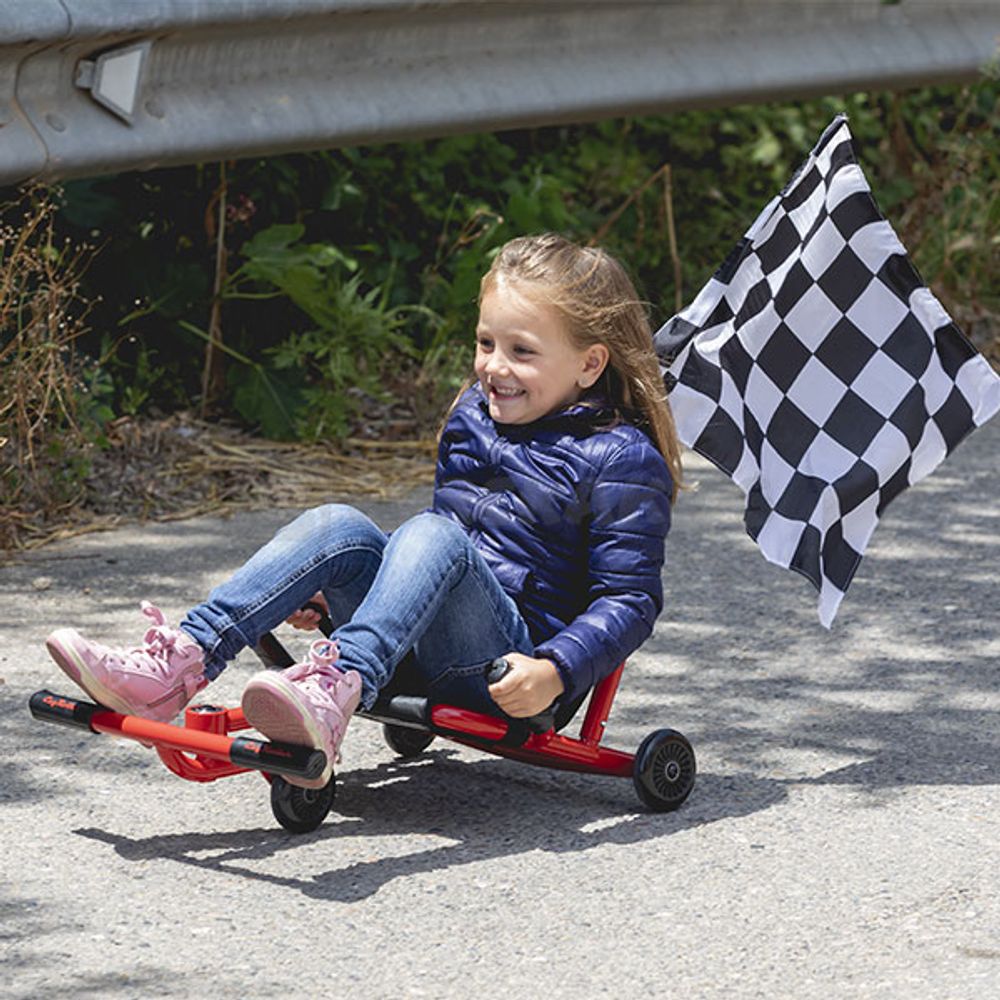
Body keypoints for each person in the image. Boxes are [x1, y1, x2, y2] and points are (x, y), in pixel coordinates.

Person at [45, 233, 683, 790]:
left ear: (589, 364)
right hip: (410, 647)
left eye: (522, 351)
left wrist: (555, 669)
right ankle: (180, 660)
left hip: (505, 668)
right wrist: (327, 592)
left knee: (434, 531)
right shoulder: (473, 417)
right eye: (486, 341)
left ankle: (335, 686)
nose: (494, 367)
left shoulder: (621, 460)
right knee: (339, 526)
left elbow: (628, 601)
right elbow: (430, 563)